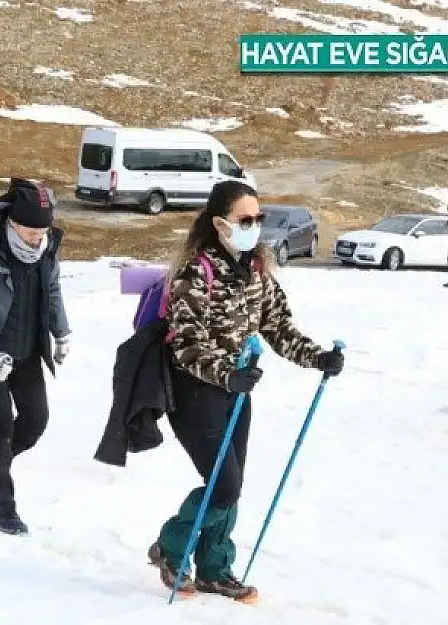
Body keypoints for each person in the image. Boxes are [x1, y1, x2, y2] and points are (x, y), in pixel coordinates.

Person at [145, 180, 344, 603]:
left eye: (259, 219)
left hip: (238, 390)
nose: (255, 226)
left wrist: (318, 357)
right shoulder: (195, 271)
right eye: (246, 219)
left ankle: (215, 567)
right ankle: (171, 547)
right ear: (219, 223)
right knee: (224, 484)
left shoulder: (256, 270)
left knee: (228, 483)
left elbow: (279, 326)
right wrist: (225, 374)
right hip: (195, 390)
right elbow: (186, 343)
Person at [0, 179, 71, 536]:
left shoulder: (47, 251)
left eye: (44, 230)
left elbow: (51, 291)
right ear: (13, 223)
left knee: (36, 421)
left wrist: (60, 331)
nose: (39, 237)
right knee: (1, 425)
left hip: (27, 353)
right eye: (32, 230)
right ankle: (2, 507)